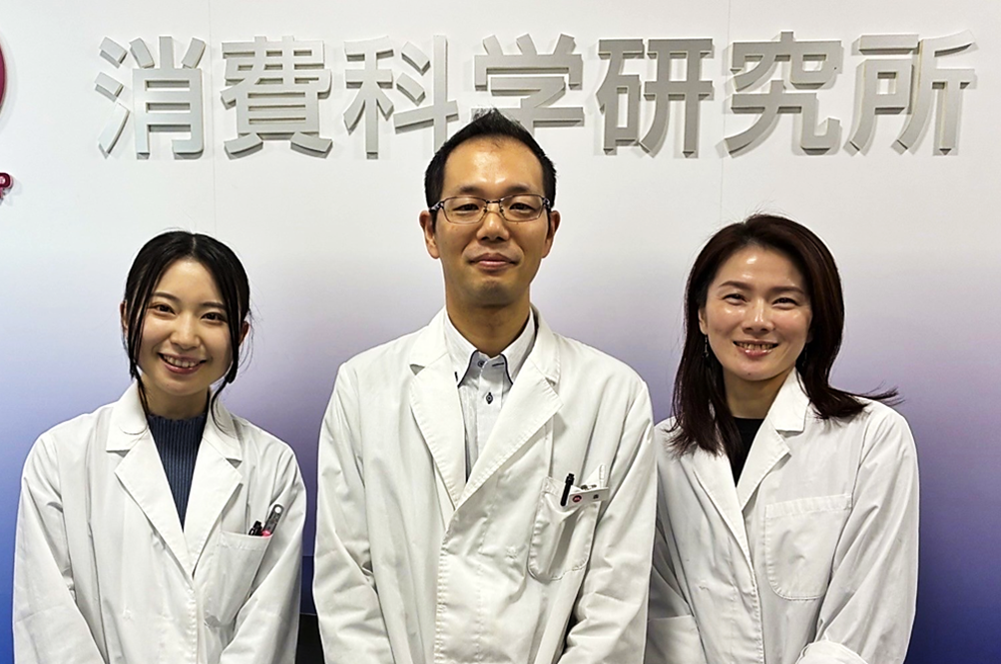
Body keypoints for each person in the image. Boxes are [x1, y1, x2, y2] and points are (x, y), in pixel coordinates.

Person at [314, 109, 656, 663]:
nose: (493, 227)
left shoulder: (614, 396)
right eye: (467, 205)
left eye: (520, 206)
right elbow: (346, 590)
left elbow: (614, 609)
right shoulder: (363, 388)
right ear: (431, 231)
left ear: (550, 230)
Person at [13, 231, 306, 663]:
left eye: (212, 316)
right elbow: (49, 624)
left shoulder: (272, 467)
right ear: (127, 316)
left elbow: (267, 630)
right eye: (164, 309)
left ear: (240, 334)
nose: (185, 336)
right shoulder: (60, 458)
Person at [646, 214, 919, 664]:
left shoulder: (873, 437)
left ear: (814, 322)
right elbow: (662, 616)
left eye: (784, 301)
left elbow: (867, 618)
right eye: (736, 297)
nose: (757, 321)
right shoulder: (661, 450)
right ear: (701, 315)